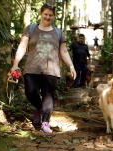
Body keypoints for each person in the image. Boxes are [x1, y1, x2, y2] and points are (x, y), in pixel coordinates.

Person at [8, 3, 76, 133]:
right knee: (30, 92)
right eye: (45, 14)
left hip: (52, 69)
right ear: (41, 14)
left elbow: (64, 52)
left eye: (51, 15)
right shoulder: (31, 28)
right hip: (32, 67)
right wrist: (15, 64)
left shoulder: (58, 32)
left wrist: (71, 66)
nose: (48, 17)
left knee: (48, 95)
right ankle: (39, 109)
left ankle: (45, 123)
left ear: (54, 16)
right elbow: (22, 47)